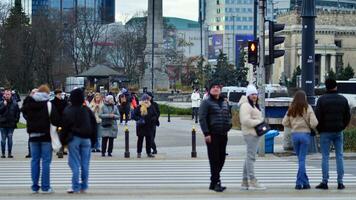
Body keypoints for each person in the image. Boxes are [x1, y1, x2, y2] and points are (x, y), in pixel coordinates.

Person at [21, 85, 61, 194]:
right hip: (46, 137)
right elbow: (56, 120)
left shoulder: (30, 104)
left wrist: (29, 97)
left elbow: (23, 110)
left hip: (33, 136)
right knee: (46, 162)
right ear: (47, 94)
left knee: (34, 161)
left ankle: (34, 186)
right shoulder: (48, 105)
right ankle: (45, 187)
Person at [314, 78, 351, 190]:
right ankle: (340, 182)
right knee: (339, 156)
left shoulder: (321, 100)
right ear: (336, 86)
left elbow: (317, 117)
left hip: (325, 132)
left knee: (325, 157)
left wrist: (320, 129)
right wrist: (342, 126)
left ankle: (324, 182)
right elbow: (347, 116)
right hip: (338, 131)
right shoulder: (343, 99)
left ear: (326, 87)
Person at [62, 88, 97, 194]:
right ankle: (84, 185)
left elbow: (64, 127)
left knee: (74, 163)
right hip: (86, 139)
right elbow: (94, 125)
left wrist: (63, 141)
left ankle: (75, 186)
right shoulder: (87, 110)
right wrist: (94, 139)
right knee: (85, 164)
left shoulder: (68, 110)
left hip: (74, 139)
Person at [199, 82, 232, 192]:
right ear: (209, 90)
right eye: (213, 87)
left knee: (221, 158)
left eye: (218, 87)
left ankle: (213, 182)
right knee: (214, 159)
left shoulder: (224, 102)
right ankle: (216, 182)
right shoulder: (206, 102)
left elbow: (228, 114)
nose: (216, 89)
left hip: (223, 134)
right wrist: (206, 133)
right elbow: (202, 118)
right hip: (212, 135)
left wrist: (229, 125)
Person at [282, 90, 318, 190]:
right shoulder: (308, 107)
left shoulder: (291, 108)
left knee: (300, 159)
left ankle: (305, 183)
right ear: (305, 98)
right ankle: (299, 183)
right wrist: (309, 126)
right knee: (302, 160)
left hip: (295, 135)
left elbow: (284, 122)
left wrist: (292, 125)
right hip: (305, 135)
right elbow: (314, 123)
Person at [238, 84, 266, 190]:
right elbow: (245, 120)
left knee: (248, 157)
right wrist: (259, 122)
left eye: (255, 94)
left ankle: (244, 182)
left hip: (254, 133)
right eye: (252, 94)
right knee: (251, 157)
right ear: (248, 95)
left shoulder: (253, 105)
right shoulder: (246, 105)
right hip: (250, 134)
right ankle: (253, 180)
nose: (254, 96)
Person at [133, 94, 158, 158]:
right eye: (144, 99)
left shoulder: (151, 107)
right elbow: (134, 115)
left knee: (148, 140)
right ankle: (139, 152)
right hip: (141, 126)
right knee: (140, 140)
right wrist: (139, 119)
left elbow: (155, 115)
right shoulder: (139, 107)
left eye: (147, 99)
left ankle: (148, 152)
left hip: (149, 126)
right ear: (142, 100)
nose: (146, 101)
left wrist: (153, 119)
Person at [0, 88, 20, 158]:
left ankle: (9, 153)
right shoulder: (1, 103)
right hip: (2, 124)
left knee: (10, 138)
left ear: (11, 95)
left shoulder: (15, 103)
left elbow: (18, 113)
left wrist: (16, 120)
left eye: (8, 94)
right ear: (4, 95)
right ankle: (3, 153)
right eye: (6, 94)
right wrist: (4, 106)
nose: (7, 95)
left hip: (11, 124)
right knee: (3, 140)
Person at [51, 89, 68, 158]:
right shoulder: (52, 102)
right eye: (59, 94)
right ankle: (59, 150)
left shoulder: (64, 102)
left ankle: (62, 149)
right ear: (55, 95)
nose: (60, 96)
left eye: (61, 94)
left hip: (63, 122)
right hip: (55, 122)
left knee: (62, 136)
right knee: (58, 136)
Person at [22, 88, 39, 158]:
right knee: (31, 138)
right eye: (33, 93)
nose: (34, 94)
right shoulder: (27, 101)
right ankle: (30, 152)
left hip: (40, 123)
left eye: (36, 93)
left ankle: (38, 152)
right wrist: (28, 118)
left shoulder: (40, 101)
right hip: (31, 123)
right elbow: (24, 112)